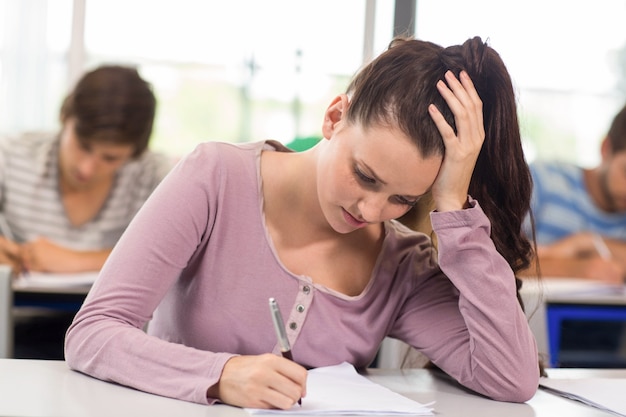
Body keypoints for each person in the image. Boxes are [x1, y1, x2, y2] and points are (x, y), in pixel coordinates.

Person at [65, 36, 540, 408]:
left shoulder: (402, 266)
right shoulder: (216, 179)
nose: (370, 212)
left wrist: (454, 209)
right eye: (364, 176)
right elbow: (93, 332)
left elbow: (510, 378)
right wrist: (222, 375)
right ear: (335, 116)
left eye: (402, 198)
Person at [0, 65, 173, 359]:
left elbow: (179, 259)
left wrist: (74, 261)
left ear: (135, 153)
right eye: (82, 146)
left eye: (110, 158)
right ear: (65, 117)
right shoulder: (11, 154)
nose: (87, 168)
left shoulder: (155, 175)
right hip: (13, 329)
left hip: (116, 342)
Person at [522, 103, 626, 284]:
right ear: (605, 149)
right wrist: (581, 268)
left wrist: (586, 243)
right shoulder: (543, 180)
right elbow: (494, 259)